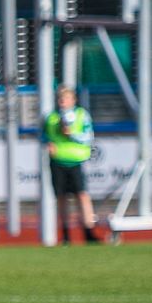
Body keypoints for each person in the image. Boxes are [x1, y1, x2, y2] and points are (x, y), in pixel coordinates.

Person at [43, 85, 101, 244]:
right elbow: (44, 135)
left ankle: (88, 231)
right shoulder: (52, 118)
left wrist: (72, 135)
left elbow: (89, 136)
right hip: (58, 161)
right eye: (60, 99)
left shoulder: (82, 115)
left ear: (73, 100)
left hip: (76, 161)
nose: (63, 102)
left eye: (66, 98)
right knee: (61, 197)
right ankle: (66, 234)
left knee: (82, 195)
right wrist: (48, 144)